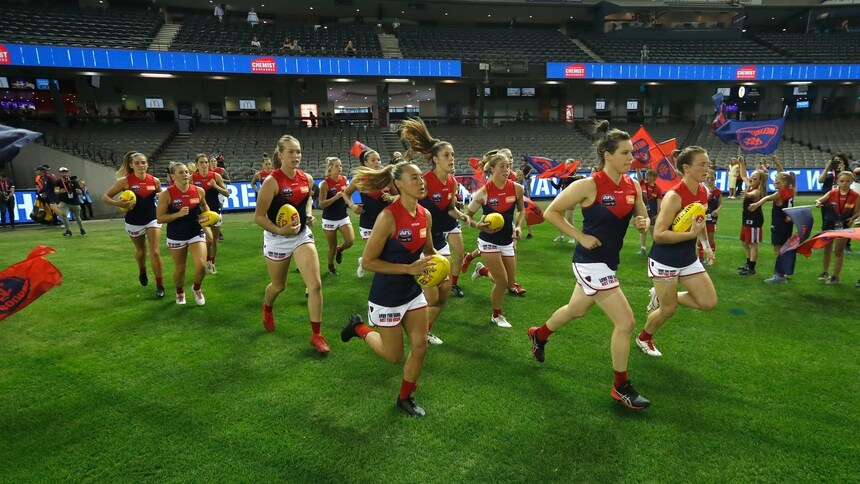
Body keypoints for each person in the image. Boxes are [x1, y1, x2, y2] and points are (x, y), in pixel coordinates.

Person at [527, 120, 651, 410]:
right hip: (590, 263)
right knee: (626, 322)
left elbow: (641, 214)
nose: (630, 159)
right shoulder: (588, 184)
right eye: (625, 153)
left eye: (632, 154)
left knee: (577, 310)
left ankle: (539, 334)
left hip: (608, 262)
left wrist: (643, 221)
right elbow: (551, 212)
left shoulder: (633, 185)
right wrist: (580, 236)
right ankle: (621, 386)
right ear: (607, 155)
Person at [340, 161, 437, 417]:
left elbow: (429, 252)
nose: (421, 181)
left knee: (420, 346)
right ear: (399, 184)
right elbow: (369, 262)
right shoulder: (388, 217)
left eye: (421, 177)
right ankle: (359, 328)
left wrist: (441, 268)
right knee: (394, 356)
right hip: (387, 296)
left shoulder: (425, 214)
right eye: (414, 178)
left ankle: (405, 397)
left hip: (413, 292)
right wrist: (408, 269)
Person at [637, 147, 717, 358]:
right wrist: (691, 236)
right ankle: (644, 337)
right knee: (668, 310)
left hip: (688, 258)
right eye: (702, 164)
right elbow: (660, 235)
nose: (706, 169)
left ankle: (661, 296)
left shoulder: (703, 192)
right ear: (686, 168)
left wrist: (706, 246)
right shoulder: (674, 196)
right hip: (665, 260)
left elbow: (698, 225)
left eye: (707, 164)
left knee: (708, 302)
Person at [255, 135, 330, 353]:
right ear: (280, 154)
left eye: (298, 151)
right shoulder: (271, 182)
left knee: (315, 285)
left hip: (301, 236)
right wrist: (280, 230)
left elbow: (306, 199)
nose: (296, 156)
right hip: (277, 239)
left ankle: (317, 336)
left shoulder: (306, 178)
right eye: (291, 152)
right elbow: (259, 217)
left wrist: (307, 215)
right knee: (279, 286)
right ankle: (267, 307)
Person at [402, 118, 471, 344]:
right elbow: (410, 207)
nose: (452, 159)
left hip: (438, 240)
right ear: (434, 159)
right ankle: (411, 326)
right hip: (420, 243)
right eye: (447, 156)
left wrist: (461, 215)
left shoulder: (451, 182)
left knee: (443, 294)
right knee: (431, 297)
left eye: (452, 155)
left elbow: (449, 209)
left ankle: (424, 330)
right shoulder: (425, 181)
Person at [464, 152, 525, 328]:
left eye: (508, 167)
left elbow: (521, 211)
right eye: (502, 167)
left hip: (507, 240)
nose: (507, 170)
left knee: (510, 283)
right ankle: (496, 315)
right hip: (487, 241)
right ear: (492, 169)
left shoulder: (517, 188)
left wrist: (519, 226)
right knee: (502, 281)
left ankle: (482, 271)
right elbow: (467, 216)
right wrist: (478, 226)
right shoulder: (483, 193)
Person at [103, 152, 166, 298]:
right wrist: (117, 203)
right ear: (131, 165)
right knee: (141, 252)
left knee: (155, 251)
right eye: (137, 163)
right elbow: (105, 197)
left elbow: (161, 195)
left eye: (143, 162)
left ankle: (159, 285)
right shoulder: (125, 181)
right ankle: (142, 269)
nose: (141, 165)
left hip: (152, 218)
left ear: (147, 164)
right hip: (134, 221)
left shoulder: (154, 181)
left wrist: (159, 195)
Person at [157, 162, 210, 306]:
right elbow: (160, 218)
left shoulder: (199, 191)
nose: (185, 174)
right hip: (176, 235)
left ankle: (197, 288)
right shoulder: (166, 194)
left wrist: (208, 216)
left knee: (201, 266)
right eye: (181, 172)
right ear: (173, 176)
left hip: (195, 232)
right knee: (180, 269)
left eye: (186, 172)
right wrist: (178, 214)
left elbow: (204, 205)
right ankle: (180, 292)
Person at [344, 149, 395, 278]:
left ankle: (364, 262)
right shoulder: (359, 178)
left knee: (383, 251)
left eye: (378, 159)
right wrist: (352, 206)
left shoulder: (387, 177)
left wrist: (391, 198)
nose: (377, 162)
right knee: (378, 253)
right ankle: (375, 271)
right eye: (373, 160)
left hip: (386, 222)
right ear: (366, 163)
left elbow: (399, 195)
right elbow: (345, 193)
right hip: (367, 222)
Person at [814, 171, 859, 285]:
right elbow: (820, 200)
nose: (844, 183)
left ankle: (836, 276)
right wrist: (818, 202)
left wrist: (853, 218)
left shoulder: (855, 196)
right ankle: (825, 272)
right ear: (837, 182)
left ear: (852, 182)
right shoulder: (832, 192)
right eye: (842, 181)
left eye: (848, 181)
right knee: (827, 249)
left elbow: (857, 212)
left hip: (844, 226)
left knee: (839, 251)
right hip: (829, 224)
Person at [192, 154, 229, 274]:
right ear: (197, 165)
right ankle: (206, 260)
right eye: (201, 162)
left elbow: (227, 193)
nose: (204, 165)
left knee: (214, 241)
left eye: (206, 162)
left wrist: (215, 186)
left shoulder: (215, 176)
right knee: (208, 239)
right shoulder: (193, 178)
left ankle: (211, 263)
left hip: (215, 212)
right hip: (200, 214)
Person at [319, 157, 354, 275]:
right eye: (337, 166)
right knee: (332, 247)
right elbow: (321, 204)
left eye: (341, 166)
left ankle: (341, 249)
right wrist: (335, 197)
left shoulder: (344, 179)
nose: (340, 168)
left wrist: (351, 204)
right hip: (329, 218)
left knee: (350, 241)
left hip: (343, 216)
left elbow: (347, 195)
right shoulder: (325, 183)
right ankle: (331, 266)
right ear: (330, 168)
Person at [737, 161, 765, 276]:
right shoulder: (751, 185)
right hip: (747, 218)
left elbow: (753, 195)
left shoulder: (757, 191)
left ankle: (752, 268)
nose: (751, 179)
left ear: (760, 181)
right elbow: (743, 175)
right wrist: (741, 164)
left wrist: (747, 195)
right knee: (744, 241)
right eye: (752, 177)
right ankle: (748, 263)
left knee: (753, 244)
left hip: (755, 220)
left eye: (754, 178)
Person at [551, 159, 581, 244]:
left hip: (571, 198)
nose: (567, 165)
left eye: (569, 164)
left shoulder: (575, 176)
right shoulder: (564, 175)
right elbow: (558, 187)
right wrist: (551, 182)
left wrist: (578, 178)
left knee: (570, 218)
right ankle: (561, 236)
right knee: (561, 218)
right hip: (562, 198)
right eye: (566, 164)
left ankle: (572, 237)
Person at [55, 167, 86, 236]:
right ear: (60, 173)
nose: (64, 173)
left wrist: (79, 191)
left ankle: (81, 229)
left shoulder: (73, 182)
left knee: (77, 217)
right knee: (63, 214)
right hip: (64, 201)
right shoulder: (58, 182)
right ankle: (68, 230)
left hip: (75, 201)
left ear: (67, 172)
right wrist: (59, 191)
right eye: (62, 172)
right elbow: (56, 190)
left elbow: (80, 191)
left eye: (65, 172)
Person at [700, 169, 722, 262]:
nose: (709, 181)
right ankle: (700, 257)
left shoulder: (718, 192)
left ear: (715, 180)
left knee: (711, 237)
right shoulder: (701, 190)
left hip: (712, 218)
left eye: (712, 179)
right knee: (701, 236)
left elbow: (720, 204)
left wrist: (717, 210)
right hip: (702, 216)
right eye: (707, 178)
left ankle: (710, 257)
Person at [638, 169, 662, 255]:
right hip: (643, 212)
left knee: (653, 232)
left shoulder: (658, 189)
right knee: (643, 231)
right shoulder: (643, 184)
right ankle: (643, 248)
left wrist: (658, 214)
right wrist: (637, 168)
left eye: (649, 175)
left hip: (652, 214)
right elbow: (639, 176)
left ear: (654, 178)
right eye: (646, 175)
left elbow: (659, 203)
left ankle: (657, 249)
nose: (647, 177)